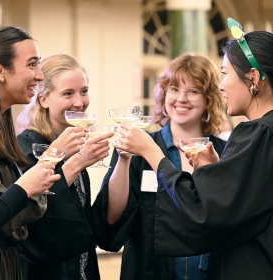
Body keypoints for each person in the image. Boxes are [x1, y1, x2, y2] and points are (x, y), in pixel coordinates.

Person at [110, 22, 273, 279]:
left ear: (253, 78)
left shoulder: (257, 134)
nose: (221, 86)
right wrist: (214, 172)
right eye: (173, 89)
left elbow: (205, 215)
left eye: (226, 74)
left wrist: (153, 154)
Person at [92, 53, 226, 280]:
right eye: (173, 89)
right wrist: (124, 161)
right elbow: (112, 220)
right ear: (164, 94)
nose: (181, 98)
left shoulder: (225, 152)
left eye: (193, 91)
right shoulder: (140, 147)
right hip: (150, 272)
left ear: (209, 99)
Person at [17, 54, 113, 280]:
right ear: (43, 100)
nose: (79, 102)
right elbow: (37, 223)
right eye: (68, 93)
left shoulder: (76, 145)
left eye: (84, 91)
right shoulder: (27, 148)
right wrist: (77, 162)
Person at [0, 25, 61, 280]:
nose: (40, 76)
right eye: (31, 65)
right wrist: (24, 188)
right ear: (0, 71)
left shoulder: (2, 126)